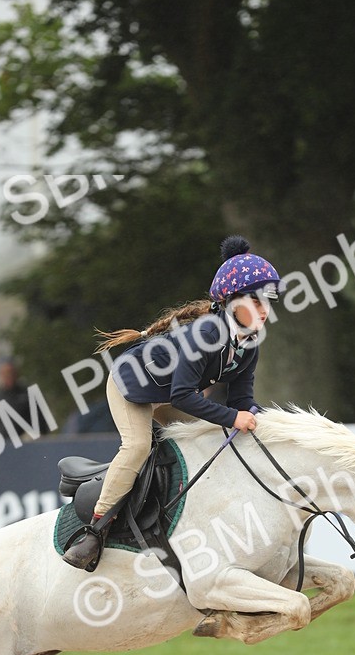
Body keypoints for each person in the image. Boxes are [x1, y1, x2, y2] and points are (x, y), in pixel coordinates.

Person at [62, 235, 280, 569]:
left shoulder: (249, 344)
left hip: (166, 392)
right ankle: (94, 530)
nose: (264, 311)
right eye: (256, 302)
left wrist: (262, 421)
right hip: (130, 386)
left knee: (199, 442)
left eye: (267, 302)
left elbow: (241, 400)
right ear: (232, 302)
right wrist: (235, 418)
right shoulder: (207, 333)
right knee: (137, 447)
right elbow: (183, 397)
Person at [0, 359, 51, 438]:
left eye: (11, 373)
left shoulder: (29, 396)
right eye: (6, 374)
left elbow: (42, 425)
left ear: (17, 374)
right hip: (4, 446)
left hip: (26, 445)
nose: (9, 376)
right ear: (1, 375)